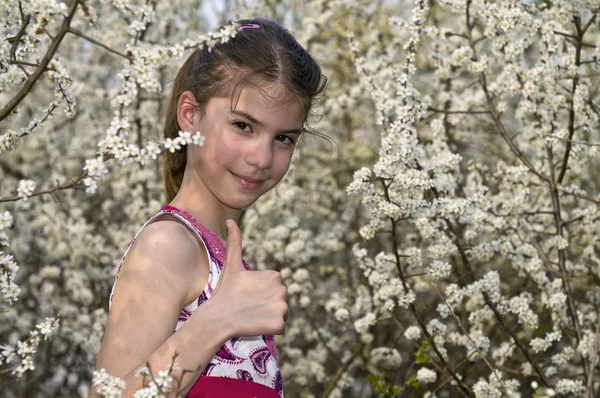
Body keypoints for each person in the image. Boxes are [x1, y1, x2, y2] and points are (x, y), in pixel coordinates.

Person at [93, 17, 326, 397]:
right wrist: (219, 318)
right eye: (243, 126)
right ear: (190, 115)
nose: (262, 157)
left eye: (283, 138)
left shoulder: (215, 253)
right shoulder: (168, 245)